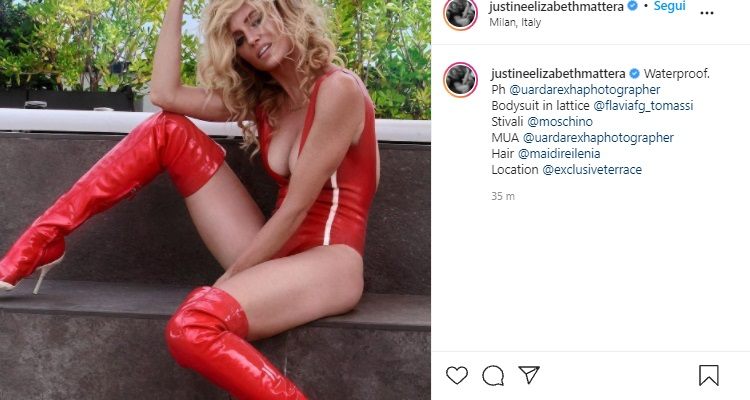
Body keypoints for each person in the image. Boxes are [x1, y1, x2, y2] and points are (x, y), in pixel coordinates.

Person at [0, 0, 379, 398]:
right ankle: (42, 240)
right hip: (275, 248)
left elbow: (297, 208)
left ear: (285, 12)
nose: (252, 39)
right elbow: (165, 94)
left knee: (193, 325)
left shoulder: (338, 89)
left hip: (328, 258)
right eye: (239, 38)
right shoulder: (268, 101)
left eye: (256, 20)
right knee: (167, 129)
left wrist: (228, 281)